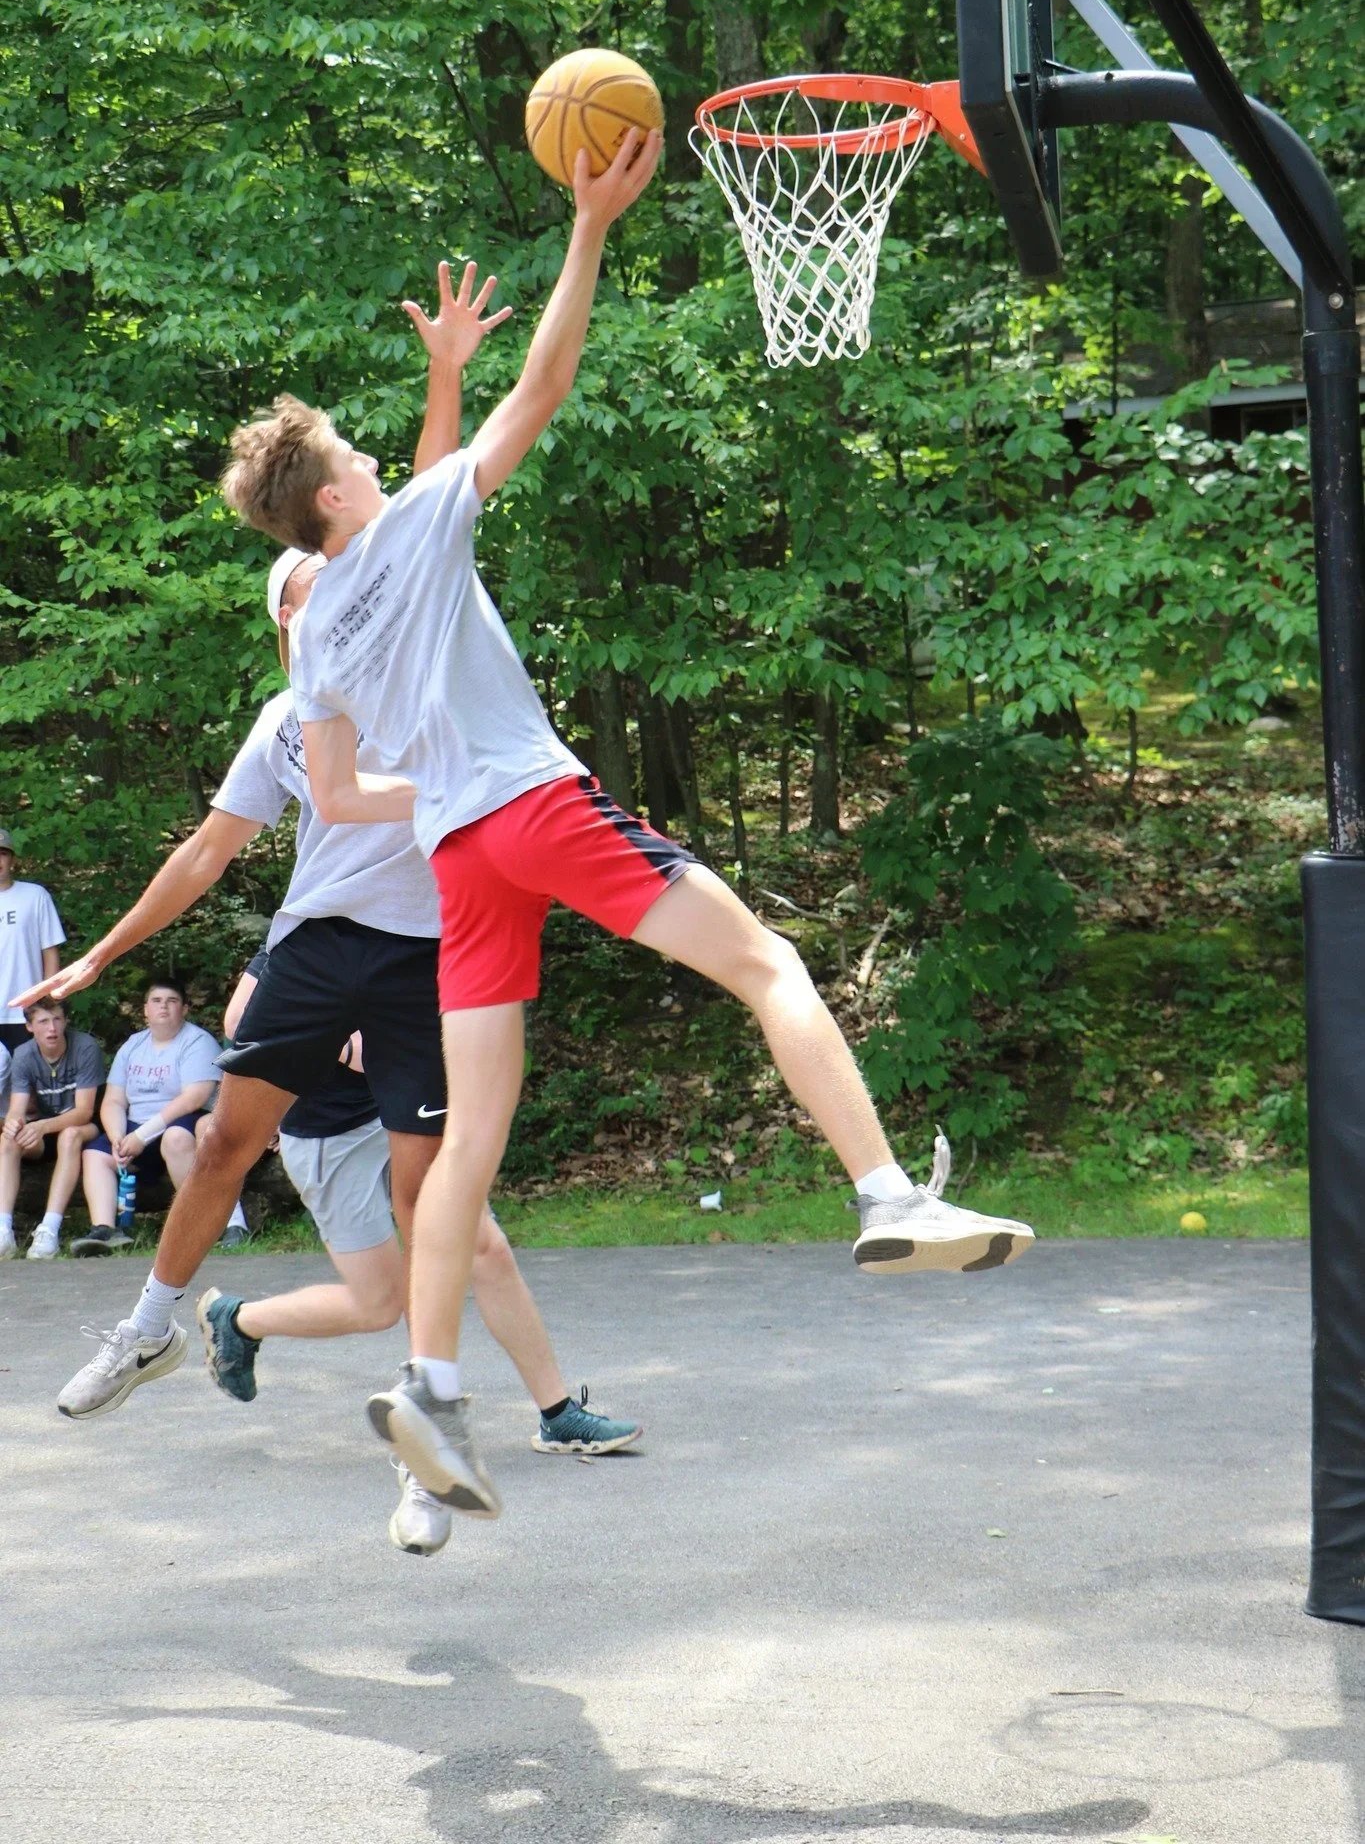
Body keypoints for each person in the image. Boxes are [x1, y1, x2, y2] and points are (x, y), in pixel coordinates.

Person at [223, 127, 1034, 1521]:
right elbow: (542, 393)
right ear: (343, 496)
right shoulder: (405, 528)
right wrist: (589, 224)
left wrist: (436, 388)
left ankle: (431, 1390)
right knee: (765, 963)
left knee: (468, 1144)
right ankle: (889, 1195)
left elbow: (358, 747)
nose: (374, 456)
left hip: (459, 857)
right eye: (357, 453)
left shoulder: (322, 636)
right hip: (536, 805)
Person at [33, 310, 638, 1527]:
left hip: (432, 957)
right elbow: (208, 850)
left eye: (331, 583)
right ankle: (152, 1323)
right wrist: (97, 954)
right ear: (288, 611)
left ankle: (434, 1453)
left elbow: (431, 487)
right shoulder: (294, 713)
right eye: (305, 592)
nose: (328, 599)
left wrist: (447, 375)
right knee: (227, 1140)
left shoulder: (411, 629)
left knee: (442, 1223)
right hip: (322, 942)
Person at [200, 952, 640, 1555]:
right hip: (326, 1133)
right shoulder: (313, 921)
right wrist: (335, 1039)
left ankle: (558, 1414)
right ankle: (239, 1320)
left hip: (403, 1115)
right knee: (379, 1302)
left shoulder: (421, 930)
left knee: (483, 1246)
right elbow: (239, 1016)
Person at [70, 978, 228, 1258]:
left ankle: (199, 1225)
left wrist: (142, 1135)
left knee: (176, 1139)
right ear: (145, 1009)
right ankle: (105, 1230)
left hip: (179, 1120)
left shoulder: (197, 1041)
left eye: (172, 1001)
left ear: (185, 1009)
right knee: (95, 1153)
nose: (163, 1007)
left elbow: (195, 1097)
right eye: (156, 1001)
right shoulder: (133, 1045)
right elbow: (114, 1099)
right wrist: (119, 1138)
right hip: (133, 1126)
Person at [0, 995, 103, 1260]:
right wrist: (13, 1123)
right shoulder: (23, 1055)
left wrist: (43, 1126)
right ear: (30, 1027)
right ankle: (3, 1229)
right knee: (8, 1140)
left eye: (57, 1019)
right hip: (45, 1131)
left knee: (69, 1136)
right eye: (43, 1021)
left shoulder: (85, 1047)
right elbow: (17, 1108)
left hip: (85, 1127)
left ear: (66, 1021)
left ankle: (49, 1228)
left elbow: (84, 1112)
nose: (52, 1028)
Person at [0, 830, 65, 1054]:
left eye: (3, 854)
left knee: (27, 1084)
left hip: (27, 1011)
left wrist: (47, 1000)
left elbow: (50, 951)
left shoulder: (35, 896)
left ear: (12, 860)